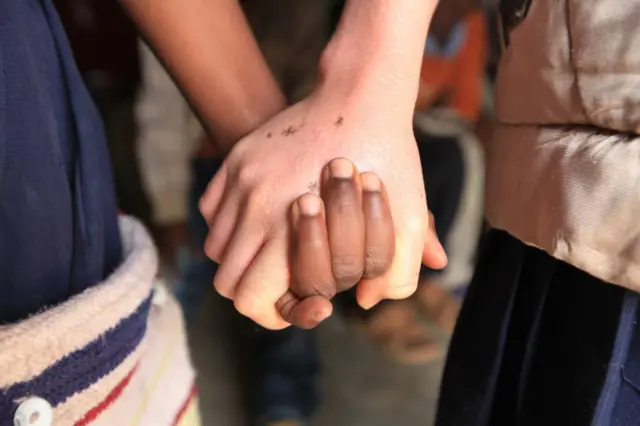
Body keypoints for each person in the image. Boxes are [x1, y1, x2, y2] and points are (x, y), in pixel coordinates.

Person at [1, 0, 447, 424]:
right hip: (191, 166)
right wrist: (369, 89)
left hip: (256, 162)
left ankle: (281, 401)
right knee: (187, 288)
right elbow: (160, 115)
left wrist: (357, 101)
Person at [436, 0, 640, 425]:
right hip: (566, 185)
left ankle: (439, 281)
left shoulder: (471, 31)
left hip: (573, 171)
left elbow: (466, 102)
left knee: (465, 157)